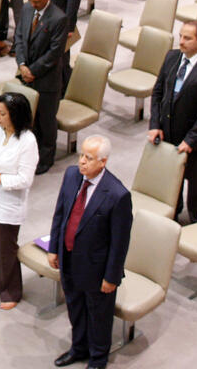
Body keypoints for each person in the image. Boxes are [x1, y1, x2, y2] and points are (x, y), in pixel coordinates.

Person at [48, 135, 132, 369]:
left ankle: (98, 358)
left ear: (103, 162)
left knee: (99, 316)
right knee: (75, 308)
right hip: (69, 259)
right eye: (81, 155)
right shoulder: (71, 175)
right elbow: (60, 214)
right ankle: (78, 348)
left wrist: (111, 277)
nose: (82, 161)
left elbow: (120, 242)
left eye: (89, 158)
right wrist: (54, 248)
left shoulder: (117, 195)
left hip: (97, 269)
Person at [148, 20, 197, 223]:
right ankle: (172, 215)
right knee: (171, 182)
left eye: (187, 38)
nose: (181, 41)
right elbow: (158, 92)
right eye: (181, 36)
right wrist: (155, 125)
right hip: (170, 131)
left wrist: (191, 140)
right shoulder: (172, 57)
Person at [0, 93, 39, 310]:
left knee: (6, 247)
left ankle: (11, 290)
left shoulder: (28, 142)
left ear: (15, 115)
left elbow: (25, 179)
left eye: (2, 114)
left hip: (9, 202)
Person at [16, 0, 68, 175]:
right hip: (26, 74)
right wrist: (22, 64)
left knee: (46, 121)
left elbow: (54, 53)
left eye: (37, 2)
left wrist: (33, 71)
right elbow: (19, 37)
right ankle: (31, 154)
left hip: (47, 80)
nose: (33, 5)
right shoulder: (27, 9)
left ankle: (46, 159)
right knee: (30, 119)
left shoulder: (58, 18)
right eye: (31, 0)